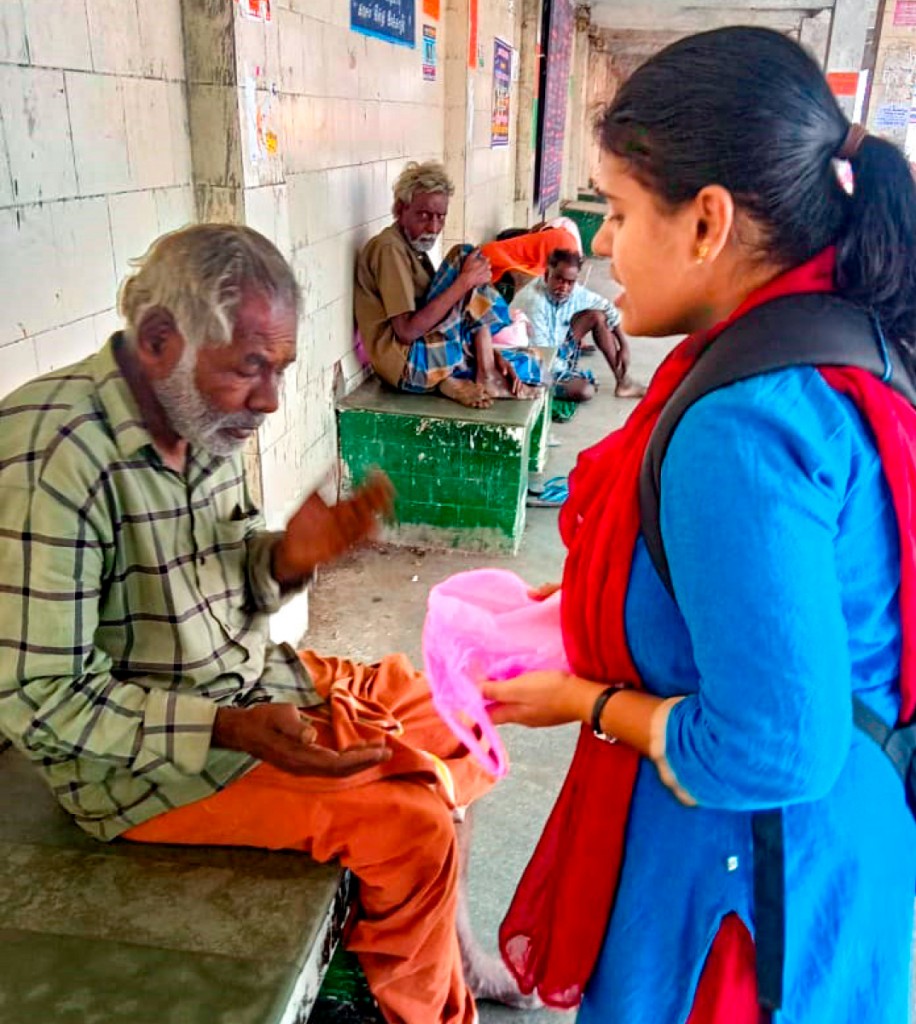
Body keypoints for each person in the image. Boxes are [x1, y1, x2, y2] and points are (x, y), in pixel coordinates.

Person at [482, 27, 916, 1024]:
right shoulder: (843, 344)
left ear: (706, 221)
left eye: (621, 211)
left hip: (751, 893)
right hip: (839, 850)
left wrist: (585, 701)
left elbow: (769, 747)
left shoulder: (743, 426)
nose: (599, 245)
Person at [0, 224, 531, 1024]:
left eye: (279, 370)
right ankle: (426, 1009)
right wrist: (230, 728)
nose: (271, 400)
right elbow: (39, 699)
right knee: (413, 822)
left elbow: (217, 582)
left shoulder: (196, 416)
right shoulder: (56, 457)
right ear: (157, 339)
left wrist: (284, 559)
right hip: (148, 768)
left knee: (459, 713)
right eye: (251, 368)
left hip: (250, 681)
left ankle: (446, 949)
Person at [354, 161, 539, 409]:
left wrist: (494, 357)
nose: (433, 228)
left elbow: (455, 314)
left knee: (530, 363)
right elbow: (406, 332)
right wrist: (464, 282)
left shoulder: (413, 249)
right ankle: (478, 375)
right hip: (408, 364)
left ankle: (479, 372)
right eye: (424, 215)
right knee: (464, 256)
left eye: (440, 218)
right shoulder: (389, 248)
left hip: (427, 353)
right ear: (400, 209)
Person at [511, 247, 645, 401]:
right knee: (584, 391)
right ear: (548, 275)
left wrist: (623, 345)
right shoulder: (534, 302)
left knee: (596, 316)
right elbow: (544, 357)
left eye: (570, 282)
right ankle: (537, 389)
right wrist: (571, 374)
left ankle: (624, 382)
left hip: (555, 347)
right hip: (529, 361)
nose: (564, 287)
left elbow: (606, 307)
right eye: (559, 279)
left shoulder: (572, 291)